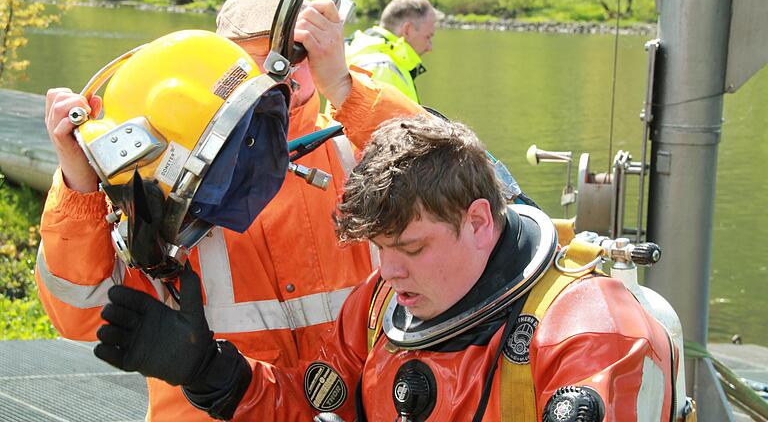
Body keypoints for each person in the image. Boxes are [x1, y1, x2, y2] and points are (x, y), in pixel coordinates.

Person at [95, 115, 678, 421]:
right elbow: (314, 409)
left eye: (413, 248)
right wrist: (210, 372)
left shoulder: (591, 332)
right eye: (379, 247)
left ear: (478, 221)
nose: (390, 271)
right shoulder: (376, 310)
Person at [36, 0, 422, 420]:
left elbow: (457, 192)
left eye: (298, 53)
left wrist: (347, 88)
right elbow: (82, 315)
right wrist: (78, 184)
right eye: (252, 60)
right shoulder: (164, 173)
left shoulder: (359, 147)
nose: (279, 76)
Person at [345, 0, 436, 103]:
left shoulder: (359, 47)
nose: (430, 47)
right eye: (428, 37)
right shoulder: (382, 69)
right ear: (408, 30)